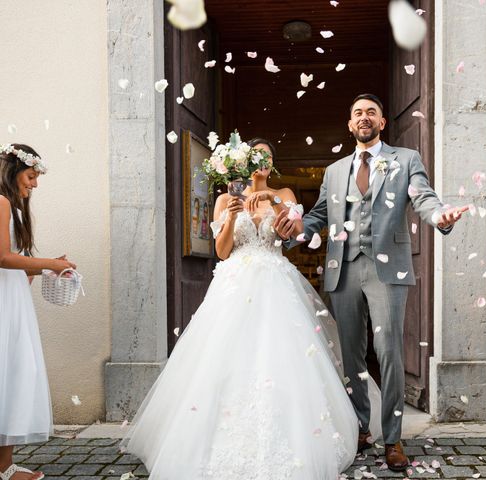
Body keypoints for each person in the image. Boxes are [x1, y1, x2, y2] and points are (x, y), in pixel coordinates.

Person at [122, 138, 366, 480]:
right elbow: (222, 252)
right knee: (225, 355)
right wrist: (230, 217)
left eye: (268, 156)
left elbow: (295, 234)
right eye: (257, 156)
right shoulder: (226, 198)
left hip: (275, 282)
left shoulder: (285, 194)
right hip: (234, 282)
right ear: (243, 163)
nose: (263, 161)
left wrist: (274, 201)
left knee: (281, 355)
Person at [274, 93, 466, 471]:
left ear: (382, 122)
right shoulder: (333, 171)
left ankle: (392, 437)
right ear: (350, 125)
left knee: (389, 351)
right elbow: (317, 217)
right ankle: (360, 427)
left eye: (371, 113)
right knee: (351, 355)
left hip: (387, 270)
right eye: (357, 112)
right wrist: (295, 230)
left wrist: (440, 216)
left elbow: (423, 198)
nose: (364, 117)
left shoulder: (406, 160)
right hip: (342, 269)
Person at [0, 144, 76, 480]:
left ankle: (4, 466)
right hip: (4, 303)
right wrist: (48, 262)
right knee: (8, 373)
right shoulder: (0, 202)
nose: (35, 184)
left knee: (14, 375)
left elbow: (17, 267)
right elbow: (2, 257)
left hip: (12, 300)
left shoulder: (14, 209)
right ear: (12, 172)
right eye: (31, 176)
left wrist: (47, 270)